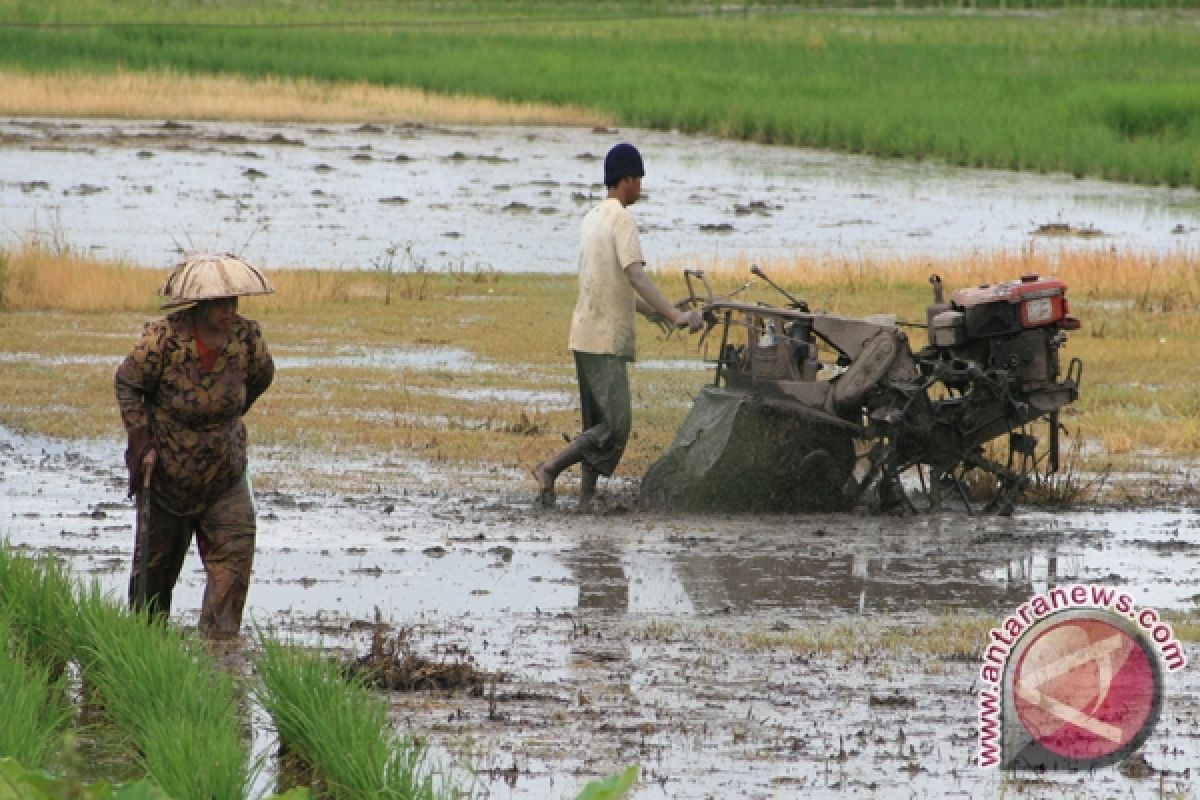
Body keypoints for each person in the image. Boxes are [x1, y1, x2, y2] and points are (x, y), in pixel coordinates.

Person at [533, 142, 703, 511]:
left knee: (595, 423)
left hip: (584, 334)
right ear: (626, 179)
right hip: (606, 339)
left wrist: (655, 311)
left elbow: (611, 283)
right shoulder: (623, 220)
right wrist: (677, 317)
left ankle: (586, 497)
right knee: (614, 426)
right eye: (639, 179)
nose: (641, 186)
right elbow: (635, 275)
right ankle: (550, 468)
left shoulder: (592, 217)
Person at [115, 253, 275, 639]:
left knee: (234, 564)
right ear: (200, 306)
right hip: (168, 477)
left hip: (225, 476)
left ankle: (218, 654)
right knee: (152, 582)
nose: (229, 310)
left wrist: (223, 421)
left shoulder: (246, 338)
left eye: (233, 301)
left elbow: (261, 377)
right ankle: (142, 654)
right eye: (220, 303)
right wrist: (142, 441)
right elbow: (128, 383)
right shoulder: (163, 341)